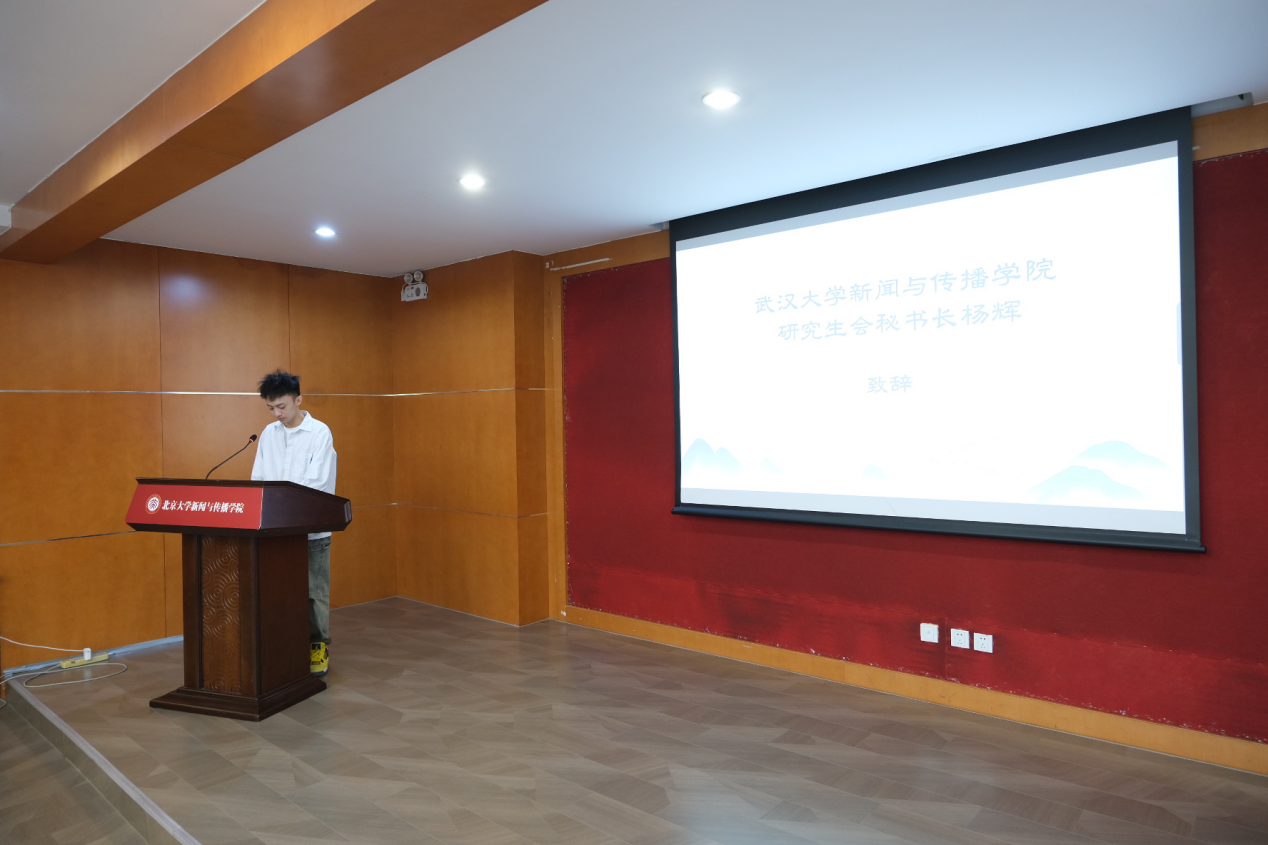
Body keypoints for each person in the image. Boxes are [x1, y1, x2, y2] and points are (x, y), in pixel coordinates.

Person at [251, 370, 337, 676]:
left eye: (282, 406)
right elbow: (259, 478)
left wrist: (284, 509)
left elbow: (318, 483)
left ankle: (318, 646)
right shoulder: (269, 433)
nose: (277, 414)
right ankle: (284, 646)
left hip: (310, 530)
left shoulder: (319, 433)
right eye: (271, 408)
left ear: (298, 400)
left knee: (314, 592)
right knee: (278, 591)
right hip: (274, 531)